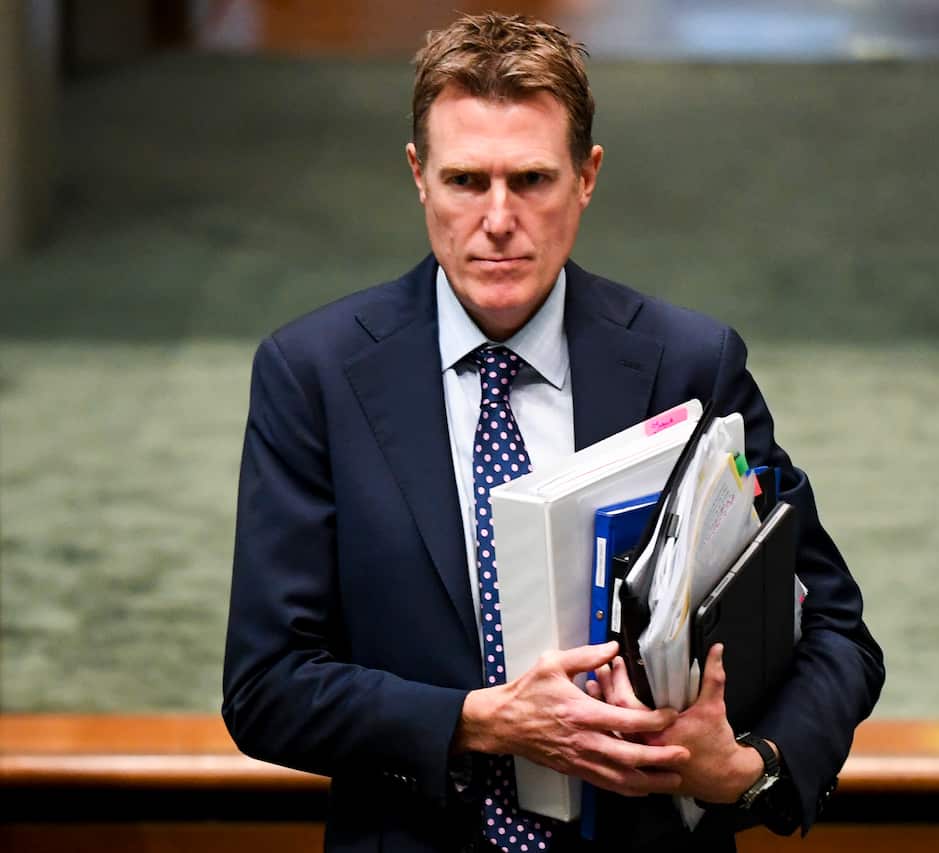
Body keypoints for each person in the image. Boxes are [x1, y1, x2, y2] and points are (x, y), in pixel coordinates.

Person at [222, 13, 883, 853]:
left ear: (587, 177)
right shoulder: (311, 374)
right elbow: (266, 684)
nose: (498, 219)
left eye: (531, 179)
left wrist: (747, 768)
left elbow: (833, 628)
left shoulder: (689, 364)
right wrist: (479, 722)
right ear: (418, 176)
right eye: (467, 181)